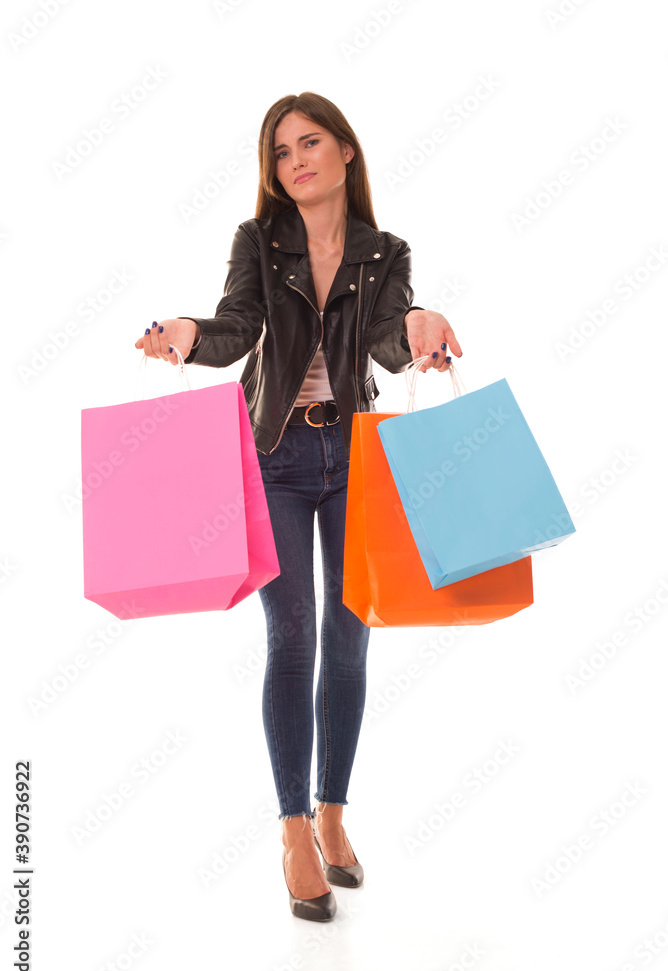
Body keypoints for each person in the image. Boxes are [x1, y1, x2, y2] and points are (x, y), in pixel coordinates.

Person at [135, 92, 462, 921]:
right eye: (280, 153)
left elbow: (389, 341)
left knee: (348, 640)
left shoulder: (384, 251)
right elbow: (238, 326)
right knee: (291, 633)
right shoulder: (259, 241)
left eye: (309, 143)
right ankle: (291, 833)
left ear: (346, 151)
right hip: (275, 455)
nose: (295, 162)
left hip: (353, 458)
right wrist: (186, 331)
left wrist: (420, 324)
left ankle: (333, 814)